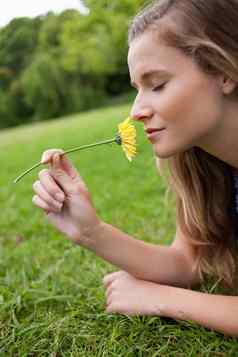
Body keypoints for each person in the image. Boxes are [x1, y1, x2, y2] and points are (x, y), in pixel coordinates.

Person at [32, 0, 238, 337]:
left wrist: (161, 299)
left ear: (224, 71)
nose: (136, 111)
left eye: (157, 85)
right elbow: (187, 263)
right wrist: (91, 232)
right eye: (137, 89)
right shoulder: (206, 166)